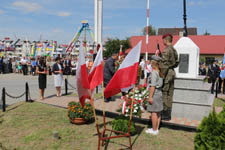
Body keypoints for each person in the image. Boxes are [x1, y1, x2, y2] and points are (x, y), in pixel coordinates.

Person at [160, 34, 179, 120]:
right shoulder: (174, 49)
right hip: (172, 72)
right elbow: (177, 62)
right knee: (170, 93)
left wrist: (161, 75)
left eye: (163, 40)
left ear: (165, 40)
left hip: (167, 73)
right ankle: (168, 113)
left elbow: (164, 65)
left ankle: (165, 113)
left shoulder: (167, 50)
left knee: (165, 93)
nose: (162, 41)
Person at [145, 55, 163, 135]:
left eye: (151, 62)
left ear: (153, 63)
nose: (150, 63)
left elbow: (152, 86)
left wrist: (150, 97)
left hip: (155, 93)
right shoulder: (160, 72)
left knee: (153, 112)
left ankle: (154, 129)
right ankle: (156, 128)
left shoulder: (154, 73)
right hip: (159, 93)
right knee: (158, 112)